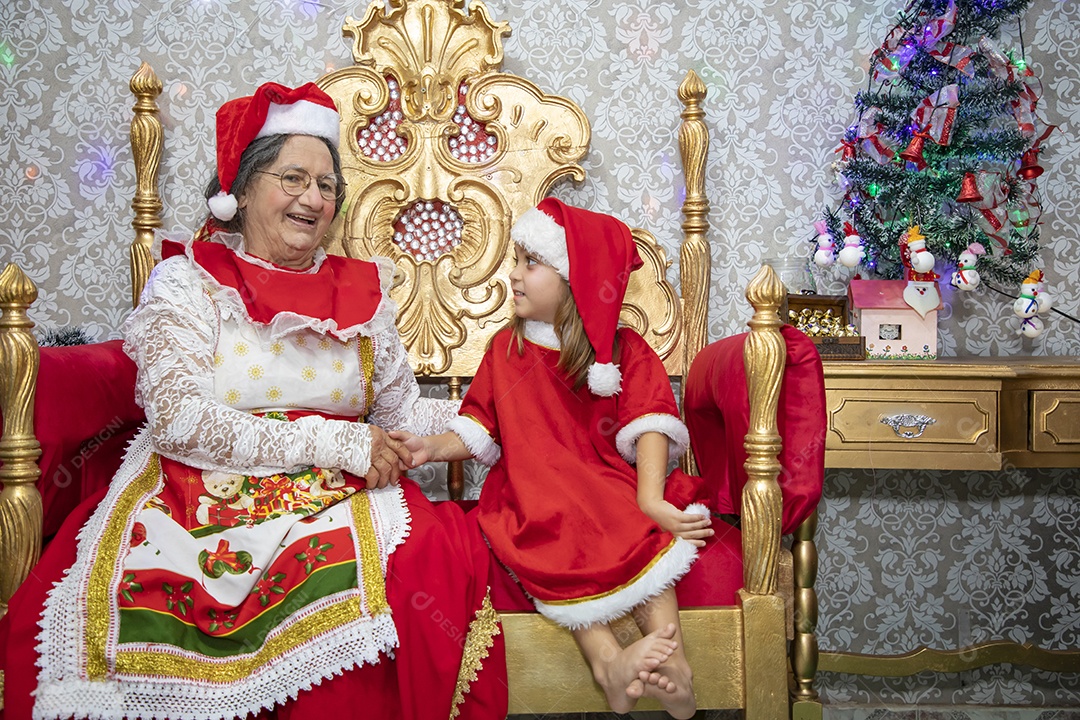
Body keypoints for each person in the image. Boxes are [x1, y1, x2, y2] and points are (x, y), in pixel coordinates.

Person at [2, 82, 506, 720]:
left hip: (343, 496)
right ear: (239, 190)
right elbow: (177, 418)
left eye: (326, 186)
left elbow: (402, 417)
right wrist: (333, 440)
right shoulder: (188, 282)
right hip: (197, 491)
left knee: (410, 566)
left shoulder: (363, 294)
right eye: (293, 177)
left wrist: (500, 423)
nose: (313, 198)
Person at [392, 198, 714, 719]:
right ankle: (608, 662)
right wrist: (428, 448)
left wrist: (651, 496)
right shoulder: (505, 350)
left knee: (638, 519)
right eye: (516, 261)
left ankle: (674, 664)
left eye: (530, 263)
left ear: (573, 278)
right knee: (554, 523)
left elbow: (650, 420)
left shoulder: (622, 349)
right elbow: (477, 426)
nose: (513, 275)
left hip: (605, 479)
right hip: (531, 488)